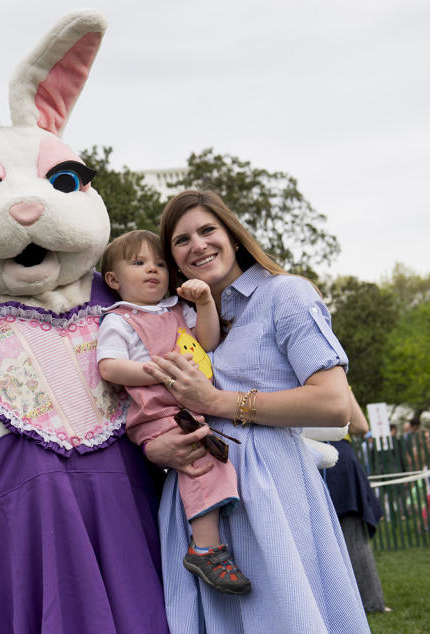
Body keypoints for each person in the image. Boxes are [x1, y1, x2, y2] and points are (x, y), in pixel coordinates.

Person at [142, 190, 369, 632]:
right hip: (193, 502)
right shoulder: (176, 321)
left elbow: (333, 403)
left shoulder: (285, 294)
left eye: (208, 230)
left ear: (233, 235)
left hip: (271, 494)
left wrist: (217, 402)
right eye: (181, 240)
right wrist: (157, 449)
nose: (198, 245)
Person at [96, 229, 249, 595]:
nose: (153, 270)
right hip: (156, 415)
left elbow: (208, 342)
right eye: (139, 263)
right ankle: (206, 548)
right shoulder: (119, 320)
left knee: (213, 459)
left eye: (160, 264)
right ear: (113, 279)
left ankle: (209, 539)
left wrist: (206, 303)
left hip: (187, 408)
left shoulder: (175, 310)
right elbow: (109, 367)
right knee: (200, 460)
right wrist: (155, 370)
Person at [323, 393, 390, 613]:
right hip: (338, 459)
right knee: (352, 535)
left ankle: (361, 602)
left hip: (316, 457)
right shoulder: (334, 378)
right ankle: (371, 602)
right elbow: (361, 425)